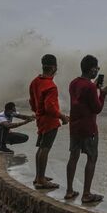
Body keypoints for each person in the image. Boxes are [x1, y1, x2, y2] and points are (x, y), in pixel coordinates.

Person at [65, 54, 107, 202]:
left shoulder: (74, 83)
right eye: (97, 68)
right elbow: (97, 108)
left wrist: (94, 87)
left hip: (75, 127)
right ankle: (86, 194)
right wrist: (102, 95)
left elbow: (82, 97)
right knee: (92, 158)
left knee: (73, 157)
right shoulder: (90, 86)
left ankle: (69, 191)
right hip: (89, 128)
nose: (97, 70)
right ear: (91, 70)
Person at [29, 54, 69, 189]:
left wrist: (38, 113)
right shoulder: (51, 86)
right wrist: (62, 116)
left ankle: (38, 176)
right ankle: (41, 180)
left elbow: (32, 102)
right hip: (49, 122)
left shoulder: (35, 82)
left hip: (40, 120)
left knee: (40, 148)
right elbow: (50, 108)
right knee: (45, 149)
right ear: (53, 67)